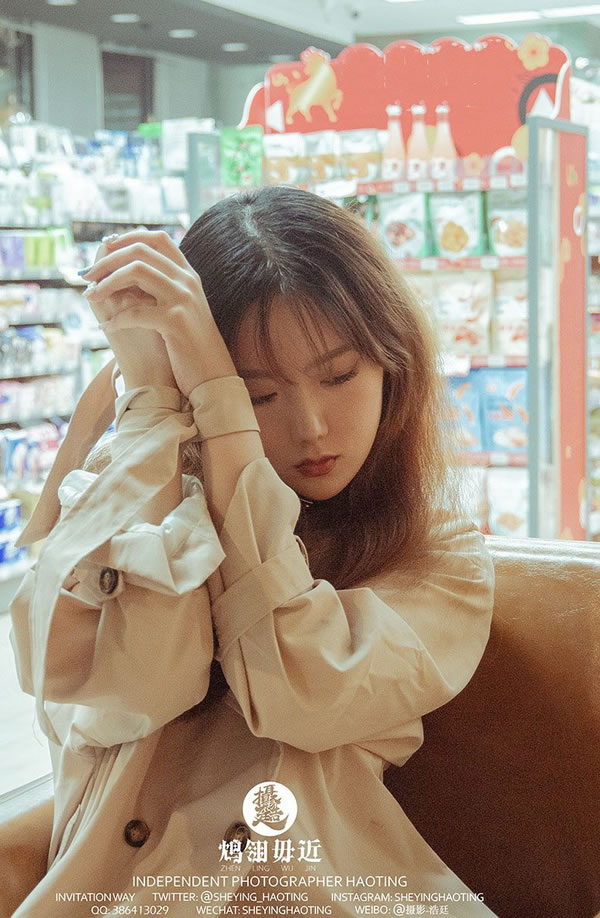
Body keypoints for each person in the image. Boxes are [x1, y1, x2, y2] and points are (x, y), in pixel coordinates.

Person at [8, 185, 496, 917]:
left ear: (393, 365)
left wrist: (223, 405)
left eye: (339, 376)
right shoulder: (148, 491)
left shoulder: (437, 557)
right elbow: (126, 692)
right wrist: (155, 403)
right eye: (258, 393)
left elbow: (300, 691)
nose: (312, 427)